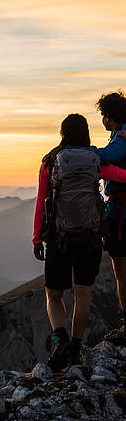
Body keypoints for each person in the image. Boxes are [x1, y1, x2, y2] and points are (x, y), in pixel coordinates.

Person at [33, 113, 126, 372]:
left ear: (62, 134)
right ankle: (75, 345)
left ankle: (59, 337)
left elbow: (42, 201)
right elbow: (119, 175)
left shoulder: (50, 161)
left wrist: (36, 237)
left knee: (54, 294)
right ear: (86, 134)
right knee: (82, 291)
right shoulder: (94, 160)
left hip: (58, 237)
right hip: (90, 237)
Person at [94, 91, 126, 344]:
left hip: (121, 213)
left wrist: (79, 149)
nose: (102, 120)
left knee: (121, 271)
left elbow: (106, 157)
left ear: (110, 117)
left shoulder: (121, 139)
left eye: (104, 115)